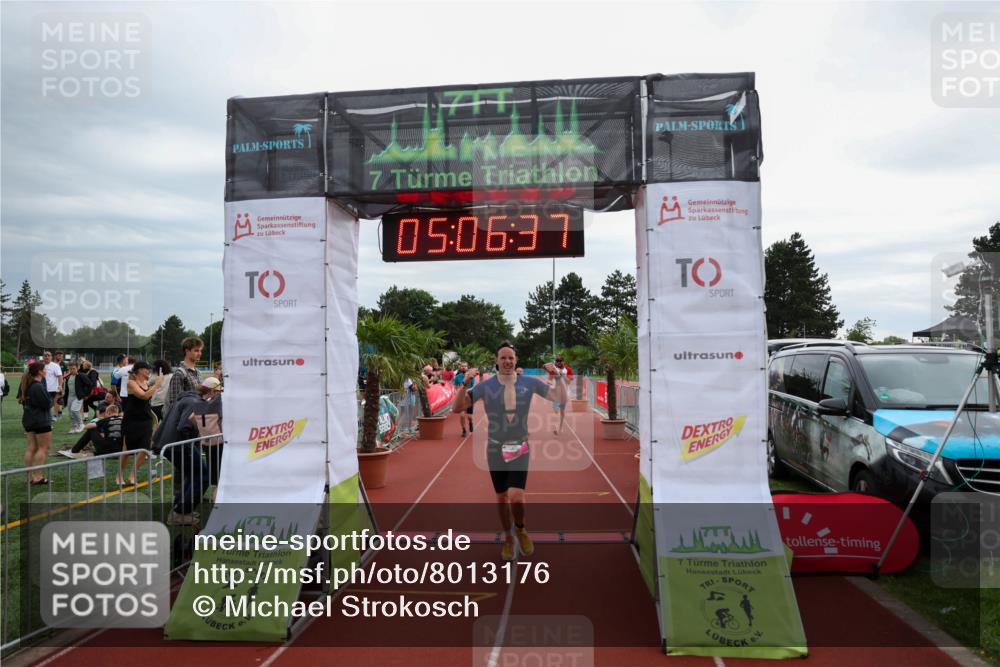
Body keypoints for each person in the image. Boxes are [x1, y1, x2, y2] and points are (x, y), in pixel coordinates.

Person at [453, 342, 559, 561]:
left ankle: (520, 528)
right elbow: (456, 408)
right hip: (495, 447)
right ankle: (509, 537)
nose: (507, 361)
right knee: (501, 497)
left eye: (511, 357)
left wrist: (556, 376)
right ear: (496, 361)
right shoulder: (486, 386)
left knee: (516, 496)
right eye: (503, 358)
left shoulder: (529, 382)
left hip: (520, 446)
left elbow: (560, 398)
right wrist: (465, 383)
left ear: (516, 360)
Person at [152, 382, 209, 525]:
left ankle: (180, 509)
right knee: (203, 476)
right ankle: (180, 513)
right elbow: (184, 425)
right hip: (178, 445)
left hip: (169, 443)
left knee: (194, 475)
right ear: (211, 393)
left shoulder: (186, 398)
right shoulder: (196, 402)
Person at [119, 361, 163, 486]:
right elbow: (144, 396)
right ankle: (119, 475)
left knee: (145, 448)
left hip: (146, 419)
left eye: (149, 369)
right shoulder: (131, 383)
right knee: (127, 449)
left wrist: (154, 419)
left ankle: (133, 474)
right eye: (146, 369)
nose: (148, 371)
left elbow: (147, 402)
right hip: (132, 419)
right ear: (138, 370)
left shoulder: (145, 383)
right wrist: (157, 385)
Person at [19, 361, 53, 485]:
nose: (46, 371)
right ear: (39, 371)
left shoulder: (29, 385)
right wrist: (54, 400)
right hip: (40, 421)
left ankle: (29, 477)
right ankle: (38, 477)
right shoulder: (38, 386)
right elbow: (47, 404)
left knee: (31, 448)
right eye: (44, 369)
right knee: (43, 448)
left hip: (30, 420)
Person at [164, 337, 203, 418]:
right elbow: (175, 404)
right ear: (187, 351)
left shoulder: (198, 373)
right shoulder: (179, 374)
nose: (199, 353)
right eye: (196, 350)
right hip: (184, 422)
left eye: (200, 350)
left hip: (196, 418)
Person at [547, 356, 572, 435]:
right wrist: (549, 383)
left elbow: (568, 382)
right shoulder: (554, 370)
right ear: (556, 362)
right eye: (557, 361)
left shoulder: (568, 370)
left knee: (562, 411)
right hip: (556, 393)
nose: (559, 362)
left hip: (565, 393)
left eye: (561, 361)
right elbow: (549, 380)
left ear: (563, 362)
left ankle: (559, 428)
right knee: (555, 409)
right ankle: (557, 427)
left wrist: (562, 376)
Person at [452, 361, 476, 437]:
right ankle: (463, 430)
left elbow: (474, 387)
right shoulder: (457, 377)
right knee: (462, 415)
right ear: (460, 367)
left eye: (465, 366)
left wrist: (466, 391)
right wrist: (457, 393)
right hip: (461, 398)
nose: (463, 367)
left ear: (467, 367)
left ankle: (470, 422)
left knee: (469, 417)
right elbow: (455, 388)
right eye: (462, 366)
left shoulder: (471, 376)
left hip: (469, 398)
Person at [64, 362, 86, 433]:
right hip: (70, 396)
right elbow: (67, 389)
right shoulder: (68, 377)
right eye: (70, 369)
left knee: (74, 410)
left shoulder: (81, 375)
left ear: (77, 368)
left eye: (73, 368)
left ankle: (81, 424)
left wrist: (85, 394)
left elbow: (90, 384)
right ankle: (74, 427)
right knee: (70, 413)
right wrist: (64, 398)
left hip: (78, 396)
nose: (72, 370)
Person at [42, 350, 63, 420]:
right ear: (43, 357)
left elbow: (60, 376)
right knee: (46, 404)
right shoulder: (41, 366)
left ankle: (55, 415)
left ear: (51, 357)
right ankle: (48, 416)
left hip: (53, 389)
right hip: (43, 389)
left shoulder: (55, 366)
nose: (47, 357)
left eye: (48, 355)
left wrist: (60, 386)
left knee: (53, 403)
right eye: (45, 356)